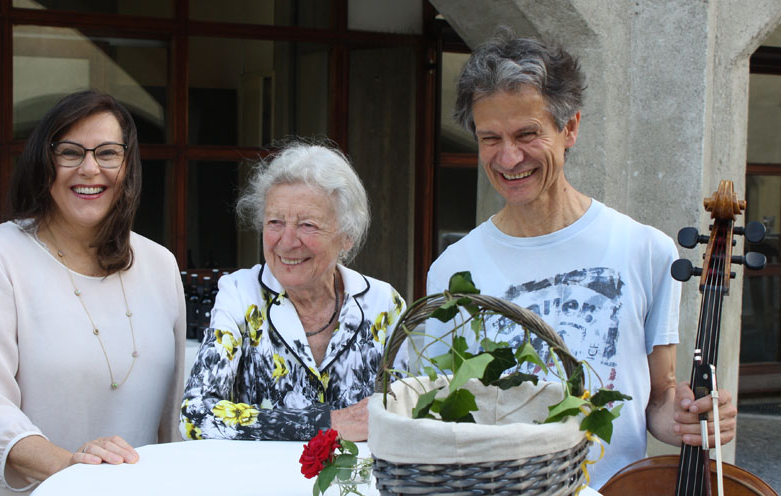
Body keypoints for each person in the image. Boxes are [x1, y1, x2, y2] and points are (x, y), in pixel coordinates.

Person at [425, 32, 737, 488]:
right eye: (490, 138)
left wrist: (688, 417)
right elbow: (437, 413)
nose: (508, 157)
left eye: (527, 134)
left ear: (569, 128)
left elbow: (657, 397)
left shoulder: (645, 251)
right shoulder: (452, 270)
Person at [0, 90, 186, 495]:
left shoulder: (160, 265)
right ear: (44, 162)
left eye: (108, 153)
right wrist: (73, 469)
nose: (90, 168)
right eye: (70, 152)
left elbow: (172, 420)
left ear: (128, 166)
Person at [179, 142, 406, 442]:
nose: (287, 242)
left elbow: (406, 412)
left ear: (347, 236)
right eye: (275, 222)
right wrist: (325, 423)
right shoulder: (241, 294)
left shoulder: (383, 304)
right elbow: (195, 415)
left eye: (307, 225)